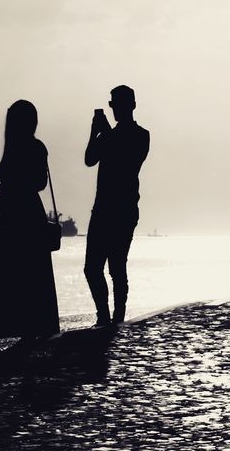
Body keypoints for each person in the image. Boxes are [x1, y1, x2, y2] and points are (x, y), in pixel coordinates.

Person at [0, 100, 60, 341]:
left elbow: (31, 181)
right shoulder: (34, 147)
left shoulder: (20, 147)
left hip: (16, 215)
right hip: (27, 212)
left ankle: (23, 326)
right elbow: (37, 181)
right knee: (32, 269)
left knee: (16, 270)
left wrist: (4, 189)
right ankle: (36, 324)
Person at [83, 85, 150, 326]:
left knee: (116, 267)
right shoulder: (108, 136)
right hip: (102, 208)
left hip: (123, 209)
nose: (115, 109)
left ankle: (117, 317)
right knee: (92, 268)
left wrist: (105, 133)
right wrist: (94, 133)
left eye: (118, 104)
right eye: (113, 104)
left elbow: (127, 159)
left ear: (131, 105)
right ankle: (103, 316)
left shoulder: (141, 135)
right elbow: (89, 159)